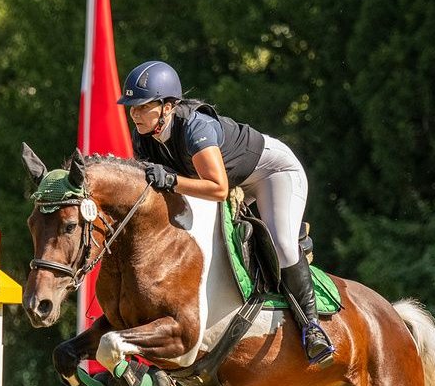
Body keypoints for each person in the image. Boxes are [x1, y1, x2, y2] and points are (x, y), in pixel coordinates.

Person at [117, 59, 334, 366]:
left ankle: (312, 328)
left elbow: (217, 188)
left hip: (271, 173)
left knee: (282, 245)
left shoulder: (195, 127)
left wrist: (174, 181)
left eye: (142, 106)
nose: (134, 114)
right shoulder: (145, 136)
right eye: (132, 107)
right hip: (231, 181)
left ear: (168, 106)